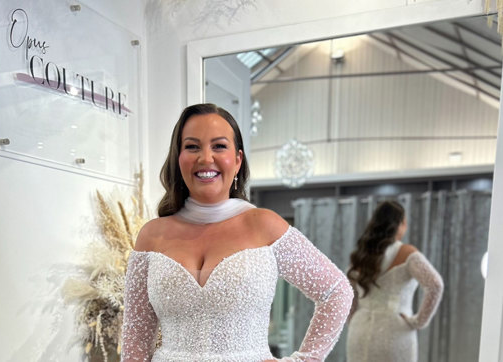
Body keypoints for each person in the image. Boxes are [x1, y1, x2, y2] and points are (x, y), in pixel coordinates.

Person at [121, 103, 354, 362]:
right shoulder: (152, 236)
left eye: (219, 146)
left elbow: (336, 291)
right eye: (192, 146)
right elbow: (135, 342)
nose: (205, 158)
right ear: (179, 158)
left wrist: (304, 359)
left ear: (238, 160)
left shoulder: (264, 225)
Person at [346, 201, 444, 362]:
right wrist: (418, 321)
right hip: (394, 330)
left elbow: (349, 295)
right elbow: (435, 285)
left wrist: (353, 320)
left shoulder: (360, 255)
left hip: (359, 329)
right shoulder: (407, 253)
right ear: (400, 224)